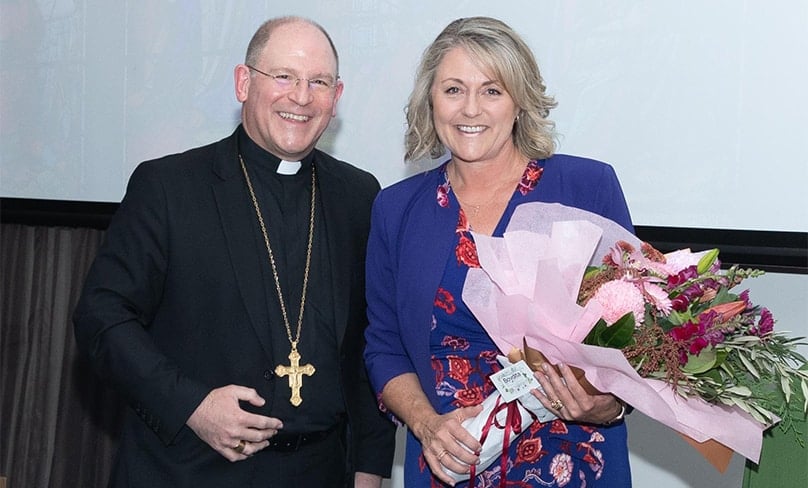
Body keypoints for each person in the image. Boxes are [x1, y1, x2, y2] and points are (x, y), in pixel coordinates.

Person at [73, 16, 395, 487]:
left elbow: (371, 341)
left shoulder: (358, 195)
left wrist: (370, 469)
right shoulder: (169, 187)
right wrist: (192, 405)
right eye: (283, 76)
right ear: (244, 83)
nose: (301, 97)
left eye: (318, 82)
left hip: (320, 472)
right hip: (190, 470)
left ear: (336, 97)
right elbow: (101, 317)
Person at [364, 16, 633, 486]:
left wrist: (609, 404)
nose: (471, 109)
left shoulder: (588, 186)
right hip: (450, 461)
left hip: (574, 459)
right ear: (430, 101)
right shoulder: (396, 209)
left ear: (520, 102)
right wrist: (427, 424)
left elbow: (636, 333)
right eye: (453, 90)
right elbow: (384, 346)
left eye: (492, 90)